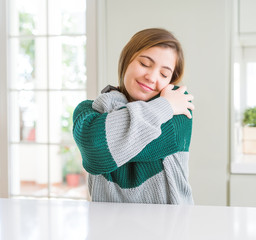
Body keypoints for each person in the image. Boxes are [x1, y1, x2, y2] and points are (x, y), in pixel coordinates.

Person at [73, 28, 195, 204]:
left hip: (169, 227)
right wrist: (165, 106)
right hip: (107, 226)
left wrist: (169, 105)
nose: (152, 77)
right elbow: (96, 152)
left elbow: (107, 147)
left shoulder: (180, 111)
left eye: (164, 74)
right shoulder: (87, 111)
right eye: (145, 64)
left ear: (171, 81)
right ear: (126, 60)